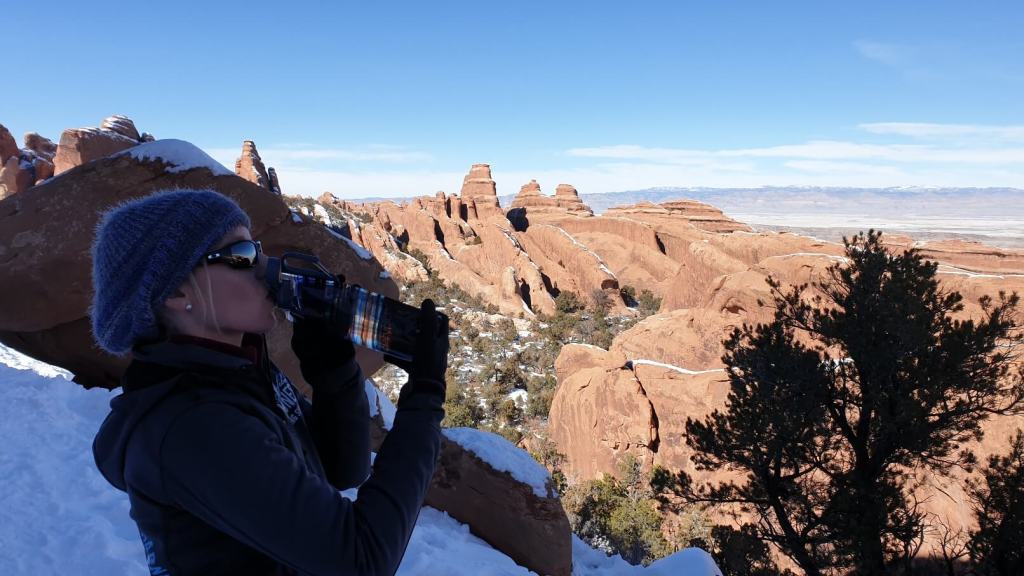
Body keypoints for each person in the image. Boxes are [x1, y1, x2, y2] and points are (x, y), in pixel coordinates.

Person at [90, 188, 448, 576]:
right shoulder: (195, 424)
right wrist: (425, 400)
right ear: (176, 290)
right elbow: (361, 560)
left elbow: (343, 469)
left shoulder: (239, 369)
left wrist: (334, 375)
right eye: (242, 255)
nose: (266, 267)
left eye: (259, 250)